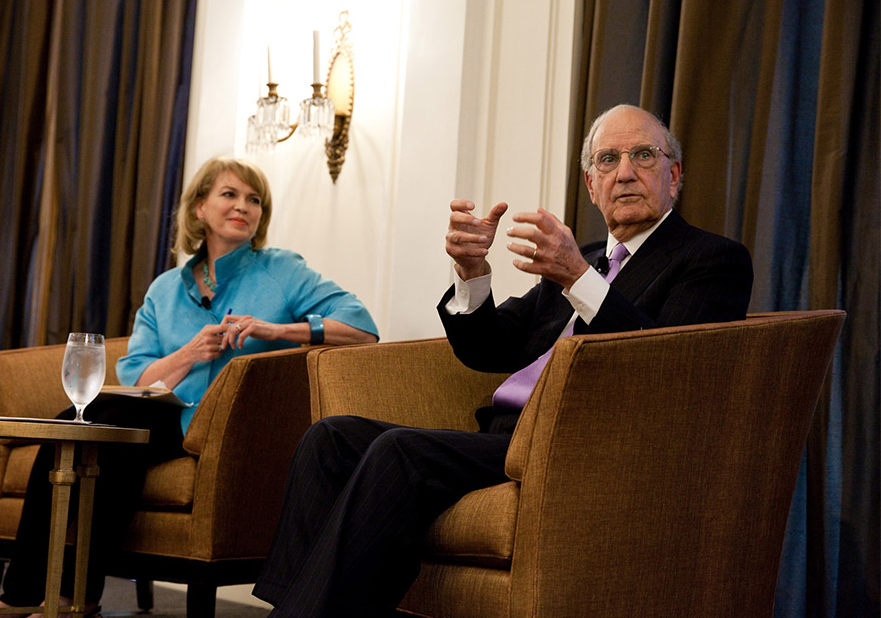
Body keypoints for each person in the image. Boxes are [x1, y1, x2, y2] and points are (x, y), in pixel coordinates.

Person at [251, 104, 753, 617]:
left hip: (583, 450)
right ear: (590, 183)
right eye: (607, 160)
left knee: (399, 452)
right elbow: (489, 349)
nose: (624, 172)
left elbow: (668, 368)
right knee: (329, 439)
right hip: (504, 439)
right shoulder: (582, 258)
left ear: (674, 174)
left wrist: (579, 278)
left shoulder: (710, 260)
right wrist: (471, 271)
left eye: (643, 155)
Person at [0, 157, 379, 618]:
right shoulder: (166, 288)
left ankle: (62, 597)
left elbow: (362, 329)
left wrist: (277, 330)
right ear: (199, 208)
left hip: (229, 428)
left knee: (103, 432)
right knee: (78, 430)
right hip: (162, 416)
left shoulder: (283, 270)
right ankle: (32, 596)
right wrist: (188, 354)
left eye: (254, 200)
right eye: (229, 195)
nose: (244, 207)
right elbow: (135, 379)